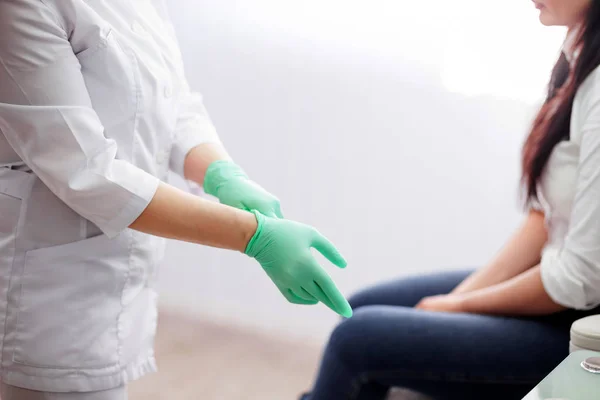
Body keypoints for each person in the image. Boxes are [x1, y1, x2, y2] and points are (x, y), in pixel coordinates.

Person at [0, 1, 352, 399]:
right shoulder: (24, 7)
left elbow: (173, 100)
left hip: (113, 269)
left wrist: (222, 175)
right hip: (51, 289)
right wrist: (253, 236)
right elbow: (85, 169)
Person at [301, 0, 600, 399]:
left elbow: (578, 281)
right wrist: (459, 300)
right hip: (563, 293)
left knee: (355, 341)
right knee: (358, 308)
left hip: (584, 329)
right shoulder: (576, 53)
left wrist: (457, 308)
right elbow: (544, 218)